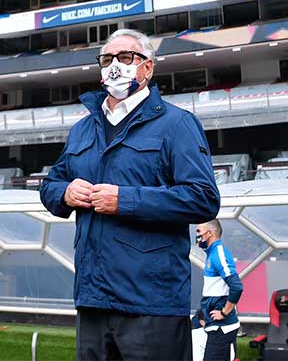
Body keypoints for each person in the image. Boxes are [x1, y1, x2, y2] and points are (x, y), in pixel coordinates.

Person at [39, 28, 220, 360]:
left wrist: (126, 200)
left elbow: (203, 197)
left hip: (152, 302)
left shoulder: (177, 124)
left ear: (147, 67)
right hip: (92, 299)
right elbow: (49, 186)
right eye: (107, 59)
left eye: (125, 58)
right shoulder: (82, 129)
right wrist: (65, 192)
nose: (114, 66)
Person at [196, 219, 243, 361]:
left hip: (222, 328)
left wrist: (224, 312)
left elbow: (236, 286)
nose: (197, 235)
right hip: (215, 326)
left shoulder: (219, 254)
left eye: (198, 231)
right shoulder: (212, 254)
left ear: (209, 233)